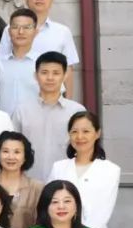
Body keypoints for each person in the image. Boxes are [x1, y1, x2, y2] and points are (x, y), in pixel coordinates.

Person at [48, 111, 120, 228]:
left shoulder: (110, 170)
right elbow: (49, 203)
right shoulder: (58, 167)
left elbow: (103, 211)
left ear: (97, 133)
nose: (80, 136)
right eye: (74, 131)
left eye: (86, 131)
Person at [0, 0, 80, 92]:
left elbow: (68, 70)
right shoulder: (10, 29)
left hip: (51, 96)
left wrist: (68, 101)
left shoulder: (62, 32)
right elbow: (0, 64)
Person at [12, 52, 85, 181]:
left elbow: (84, 150)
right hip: (28, 183)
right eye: (44, 72)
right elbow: (12, 147)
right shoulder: (22, 111)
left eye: (56, 73)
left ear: (65, 75)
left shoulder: (76, 111)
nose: (50, 78)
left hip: (65, 183)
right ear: (36, 75)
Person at [0, 131, 44, 228]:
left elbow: (42, 226)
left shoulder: (37, 188)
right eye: (5, 151)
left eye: (17, 152)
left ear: (25, 157)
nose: (11, 157)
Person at [0, 8, 40, 117]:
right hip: (3, 124)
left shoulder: (44, 64)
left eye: (27, 27)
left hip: (35, 123)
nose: (21, 32)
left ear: (35, 32)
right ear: (9, 32)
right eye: (15, 27)